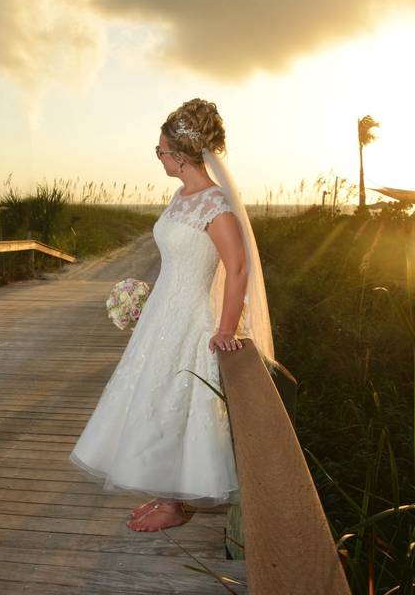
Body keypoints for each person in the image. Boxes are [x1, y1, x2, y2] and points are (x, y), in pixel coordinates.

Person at [69, 98, 274, 531]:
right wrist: (148, 297)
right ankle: (165, 496)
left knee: (172, 402)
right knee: (153, 398)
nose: (158, 156)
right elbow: (179, 257)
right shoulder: (182, 196)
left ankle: (174, 504)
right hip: (163, 311)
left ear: (180, 155)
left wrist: (224, 328)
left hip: (191, 318)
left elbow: (237, 268)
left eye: (160, 150)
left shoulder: (214, 205)